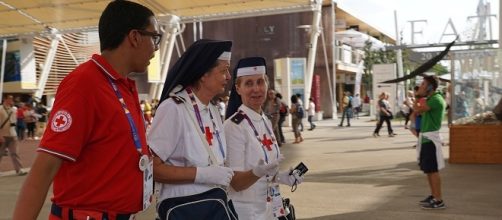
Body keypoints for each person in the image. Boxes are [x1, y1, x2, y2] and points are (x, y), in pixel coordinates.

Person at [13, 1, 159, 219]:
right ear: (135, 37)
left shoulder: (124, 86)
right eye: (154, 38)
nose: (156, 49)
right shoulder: (84, 85)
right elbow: (43, 170)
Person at [148, 39, 236, 220]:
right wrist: (203, 174)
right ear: (204, 74)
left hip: (214, 206)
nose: (228, 77)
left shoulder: (212, 109)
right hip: (184, 210)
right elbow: (153, 169)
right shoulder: (173, 108)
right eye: (223, 70)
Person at [224, 57, 304, 220]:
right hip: (246, 212)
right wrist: (257, 172)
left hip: (271, 209)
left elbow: (266, 171)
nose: (256, 89)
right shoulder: (233, 127)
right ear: (238, 88)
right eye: (248, 83)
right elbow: (236, 183)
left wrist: (281, 177)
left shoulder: (265, 120)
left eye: (260, 82)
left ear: (267, 85)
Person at [414, 75, 446, 210]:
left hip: (431, 140)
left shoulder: (436, 100)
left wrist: (417, 96)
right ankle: (434, 196)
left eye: (423, 84)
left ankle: (439, 200)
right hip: (426, 139)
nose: (421, 86)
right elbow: (417, 111)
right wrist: (420, 96)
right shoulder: (431, 98)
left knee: (433, 171)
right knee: (428, 170)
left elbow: (417, 110)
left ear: (430, 87)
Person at [0, 95, 27, 176]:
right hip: (3, 135)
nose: (11, 100)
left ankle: (19, 169)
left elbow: (15, 121)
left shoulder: (14, 109)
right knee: (0, 153)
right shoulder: (0, 109)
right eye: (9, 98)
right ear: (5, 99)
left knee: (15, 153)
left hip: (13, 134)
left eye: (12, 98)